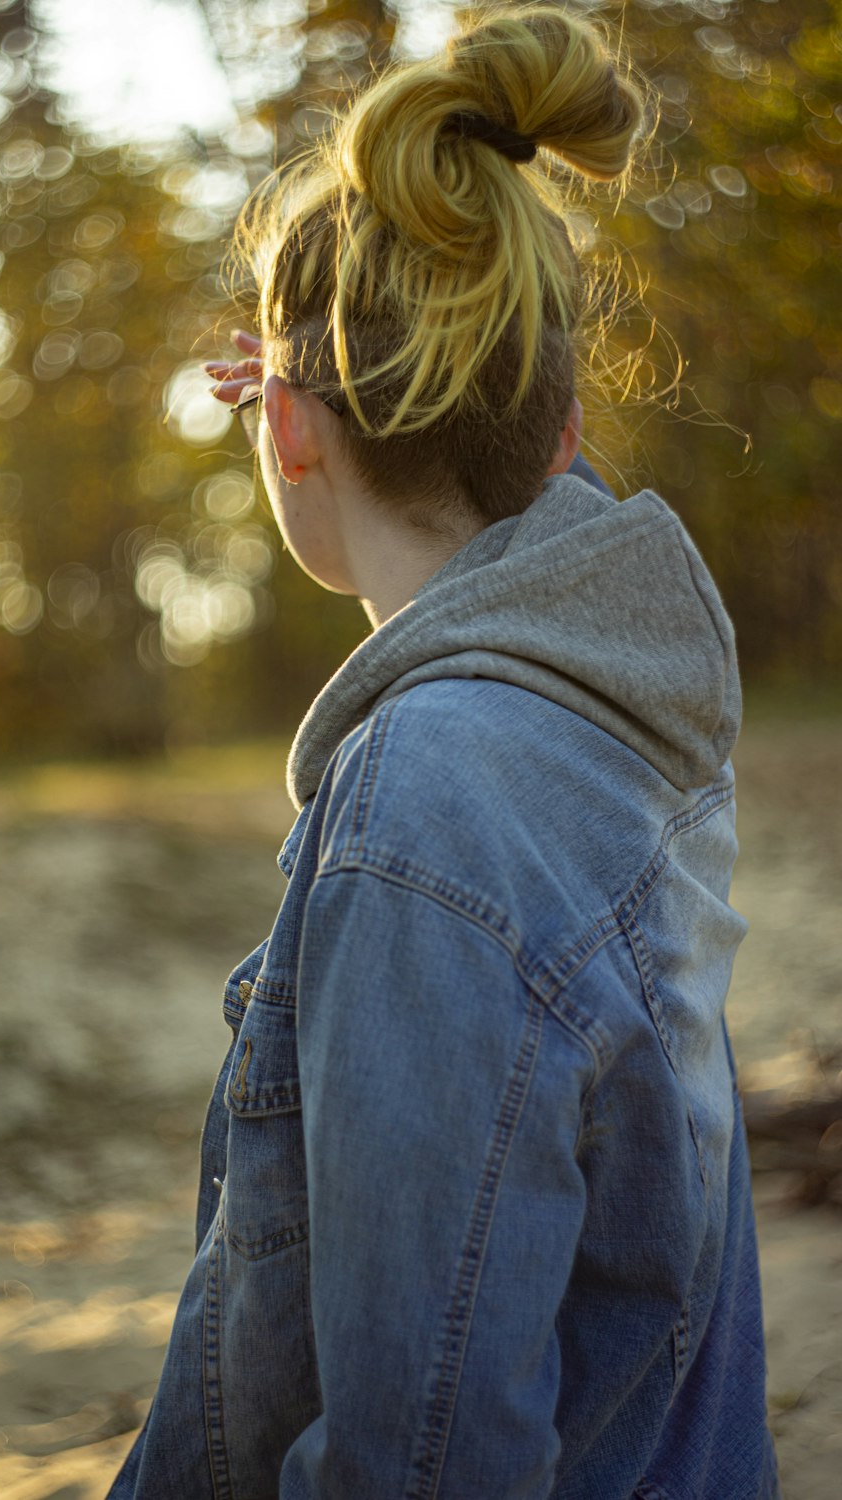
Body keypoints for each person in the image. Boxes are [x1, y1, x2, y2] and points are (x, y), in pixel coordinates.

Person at [108, 5, 779, 1496]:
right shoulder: (610, 699)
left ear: (284, 430)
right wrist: (316, 403)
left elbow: (425, 1460)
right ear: (561, 430)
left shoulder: (432, 812)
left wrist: (309, 412)